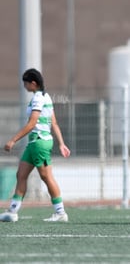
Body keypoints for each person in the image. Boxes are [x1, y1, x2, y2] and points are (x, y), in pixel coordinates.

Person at [0, 68, 71, 222]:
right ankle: (12, 211)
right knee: (21, 175)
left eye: (25, 83)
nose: (24, 86)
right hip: (34, 143)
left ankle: (60, 213)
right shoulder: (45, 97)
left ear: (33, 83)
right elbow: (54, 123)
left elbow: (32, 123)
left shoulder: (39, 98)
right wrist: (61, 144)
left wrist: (13, 140)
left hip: (40, 142)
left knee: (46, 176)